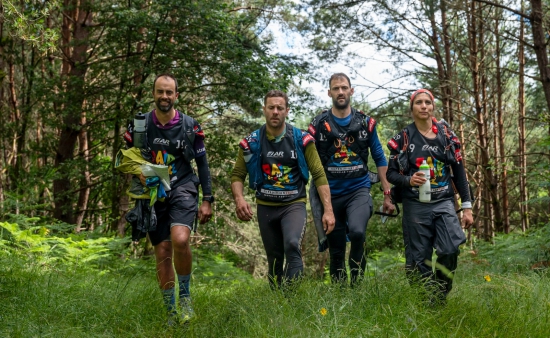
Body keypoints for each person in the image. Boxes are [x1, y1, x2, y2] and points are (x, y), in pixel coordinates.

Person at [123, 74, 213, 323]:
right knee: (162, 251)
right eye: (160, 92)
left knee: (180, 239)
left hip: (183, 187)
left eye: (169, 92)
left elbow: (203, 165)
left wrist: (208, 199)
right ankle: (171, 313)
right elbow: (126, 159)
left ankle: (185, 298)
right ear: (153, 93)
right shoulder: (139, 125)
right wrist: (138, 173)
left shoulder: (190, 125)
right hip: (153, 193)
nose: (164, 96)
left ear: (176, 95)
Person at [231, 90, 335, 288]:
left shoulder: (302, 140)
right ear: (264, 110)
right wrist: (239, 199)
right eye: (271, 107)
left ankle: (292, 299)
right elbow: (237, 175)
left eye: (280, 108)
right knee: (275, 259)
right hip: (265, 206)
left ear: (287, 110)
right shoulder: (251, 142)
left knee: (292, 245)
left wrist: (328, 210)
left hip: (293, 204)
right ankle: (278, 304)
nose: (275, 112)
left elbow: (319, 175)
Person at [386, 88, 473, 303]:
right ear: (412, 107)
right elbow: (390, 173)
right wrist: (408, 180)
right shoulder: (403, 138)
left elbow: (460, 174)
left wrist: (467, 206)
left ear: (433, 106)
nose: (424, 106)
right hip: (415, 205)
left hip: (444, 201)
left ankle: (439, 294)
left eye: (427, 102)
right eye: (419, 103)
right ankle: (428, 303)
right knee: (418, 260)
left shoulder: (447, 137)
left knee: (451, 248)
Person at [308, 73, 395, 285]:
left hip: (359, 190)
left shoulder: (366, 123)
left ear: (351, 91)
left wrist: (387, 194)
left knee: (357, 232)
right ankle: (340, 295)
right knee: (336, 250)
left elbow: (379, 157)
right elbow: (308, 159)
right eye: (336, 88)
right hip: (330, 195)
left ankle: (357, 287)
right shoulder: (318, 124)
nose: (340, 92)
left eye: (344, 88)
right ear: (329, 92)